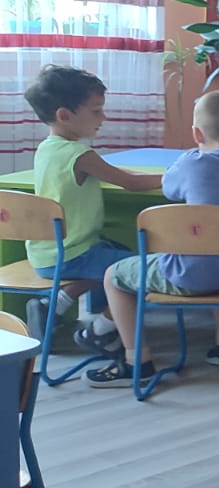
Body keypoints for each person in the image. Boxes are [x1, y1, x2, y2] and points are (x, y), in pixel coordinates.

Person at [86, 90, 219, 387]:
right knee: (216, 249)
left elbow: (170, 188)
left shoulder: (189, 165)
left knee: (113, 276)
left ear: (197, 134)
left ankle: (137, 361)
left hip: (190, 277)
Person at [21, 65, 163, 353]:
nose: (103, 117)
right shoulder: (80, 154)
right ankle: (99, 330)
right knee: (140, 271)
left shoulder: (48, 148)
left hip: (49, 252)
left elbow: (113, 173)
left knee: (115, 254)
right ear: (64, 115)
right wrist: (173, 177)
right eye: (96, 111)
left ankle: (52, 306)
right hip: (75, 253)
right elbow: (131, 183)